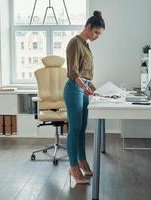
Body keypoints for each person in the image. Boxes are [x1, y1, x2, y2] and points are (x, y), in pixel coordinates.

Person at [63, 10, 105, 184]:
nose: (97, 36)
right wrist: (84, 86)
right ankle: (73, 167)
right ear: (88, 27)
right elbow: (73, 72)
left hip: (83, 88)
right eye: (96, 32)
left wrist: (91, 85)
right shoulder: (75, 43)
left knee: (82, 129)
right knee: (74, 129)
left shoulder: (86, 45)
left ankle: (82, 161)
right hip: (74, 89)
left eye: (99, 34)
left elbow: (85, 72)